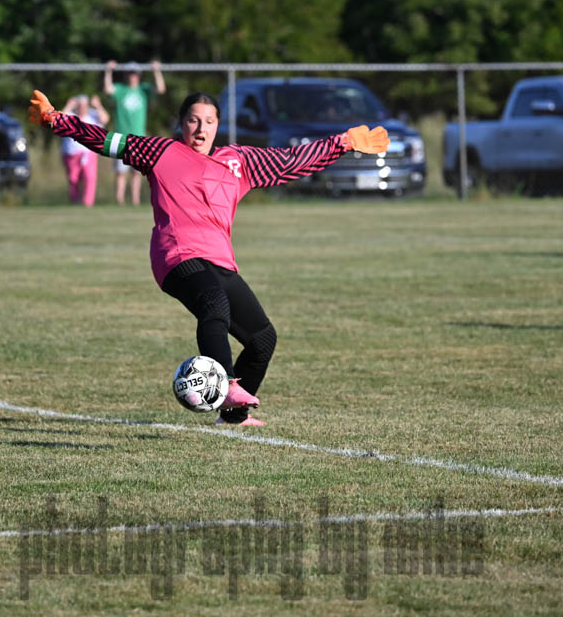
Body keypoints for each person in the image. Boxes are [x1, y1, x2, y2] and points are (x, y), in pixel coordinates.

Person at [29, 89, 388, 425]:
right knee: (214, 304)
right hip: (177, 255)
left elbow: (293, 160)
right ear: (181, 124)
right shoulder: (158, 151)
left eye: (209, 121)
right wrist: (56, 120)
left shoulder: (239, 161)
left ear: (218, 125)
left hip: (220, 260)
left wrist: (342, 143)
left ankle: (233, 417)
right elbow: (104, 140)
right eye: (193, 120)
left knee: (263, 339)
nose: (201, 128)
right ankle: (226, 385)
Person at [103, 60, 166, 206]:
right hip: (121, 136)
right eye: (130, 74)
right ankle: (120, 201)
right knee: (120, 172)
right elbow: (108, 89)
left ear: (139, 76)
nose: (133, 77)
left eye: (135, 74)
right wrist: (108, 71)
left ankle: (135, 201)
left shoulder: (144, 90)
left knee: (136, 172)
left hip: (139, 137)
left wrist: (156, 71)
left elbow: (161, 89)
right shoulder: (120, 89)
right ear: (126, 75)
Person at [61, 94, 109, 206]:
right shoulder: (70, 116)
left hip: (89, 153)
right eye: (80, 105)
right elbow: (58, 120)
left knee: (89, 179)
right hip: (71, 154)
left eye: (84, 105)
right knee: (73, 180)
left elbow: (105, 118)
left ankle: (87, 203)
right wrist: (68, 105)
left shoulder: (93, 115)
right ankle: (74, 202)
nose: (82, 108)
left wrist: (98, 105)